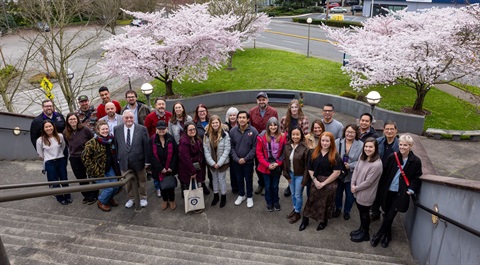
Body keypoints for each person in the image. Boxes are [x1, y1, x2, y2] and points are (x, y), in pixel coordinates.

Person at [370, 134, 422, 248]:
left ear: (410, 146)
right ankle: (388, 236)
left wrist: (411, 190)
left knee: (390, 216)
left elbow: (417, 177)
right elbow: (384, 173)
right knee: (386, 213)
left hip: (401, 193)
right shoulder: (392, 157)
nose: (402, 147)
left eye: (405, 145)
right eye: (401, 144)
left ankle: (378, 235)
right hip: (388, 191)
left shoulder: (415, 161)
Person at [299, 132, 342, 232]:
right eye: (323, 140)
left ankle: (323, 221)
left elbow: (336, 172)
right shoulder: (314, 152)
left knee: (325, 203)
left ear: (331, 142)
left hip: (329, 183)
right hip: (316, 180)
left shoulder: (335, 156)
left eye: (327, 141)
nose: (324, 143)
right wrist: (315, 180)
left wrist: (324, 183)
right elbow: (310, 168)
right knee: (311, 201)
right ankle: (305, 220)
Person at [113, 110, 150, 209]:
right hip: (124, 160)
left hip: (139, 160)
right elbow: (116, 145)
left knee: (142, 180)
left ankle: (143, 197)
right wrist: (118, 158)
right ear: (123, 119)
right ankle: (131, 198)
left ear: (134, 118)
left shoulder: (142, 129)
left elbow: (146, 146)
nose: (129, 119)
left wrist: (147, 161)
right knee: (127, 181)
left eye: (131, 117)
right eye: (126, 118)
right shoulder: (117, 129)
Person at [82, 121, 121, 212]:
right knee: (109, 188)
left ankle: (108, 198)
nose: (105, 131)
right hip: (98, 170)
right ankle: (101, 201)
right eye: (103, 129)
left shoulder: (111, 140)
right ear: (98, 130)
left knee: (116, 186)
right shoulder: (92, 142)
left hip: (109, 168)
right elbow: (85, 157)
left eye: (106, 128)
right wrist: (94, 169)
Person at [350, 137, 383, 242]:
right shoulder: (362, 157)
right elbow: (356, 170)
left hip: (366, 193)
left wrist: (356, 188)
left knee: (365, 214)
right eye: (366, 146)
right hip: (356, 189)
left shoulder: (377, 164)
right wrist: (352, 183)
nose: (368, 149)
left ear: (375, 148)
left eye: (371, 147)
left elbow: (369, 182)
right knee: (361, 212)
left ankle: (365, 233)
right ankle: (361, 229)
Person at [63, 113, 97, 204]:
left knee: (91, 176)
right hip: (75, 158)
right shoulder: (65, 132)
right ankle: (86, 195)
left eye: (74, 119)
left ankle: (94, 195)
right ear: (67, 121)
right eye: (70, 119)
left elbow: (93, 140)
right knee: (81, 178)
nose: (73, 121)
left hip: (87, 156)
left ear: (77, 119)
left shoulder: (85, 129)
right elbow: (67, 144)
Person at [36, 120, 72, 205]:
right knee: (54, 181)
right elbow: (40, 153)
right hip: (49, 162)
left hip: (60, 160)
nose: (49, 128)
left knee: (64, 179)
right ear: (43, 129)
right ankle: (60, 197)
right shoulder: (40, 140)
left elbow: (63, 147)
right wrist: (48, 158)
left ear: (53, 127)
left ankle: (67, 195)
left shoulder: (60, 136)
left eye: (50, 126)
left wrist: (59, 155)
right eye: (46, 127)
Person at [249, 92, 278, 196]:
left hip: (269, 143)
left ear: (267, 100)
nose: (261, 101)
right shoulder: (252, 111)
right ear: (257, 101)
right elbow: (250, 127)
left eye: (263, 99)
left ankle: (267, 185)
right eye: (259, 100)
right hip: (257, 142)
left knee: (268, 163)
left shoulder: (273, 111)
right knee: (258, 164)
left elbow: (275, 127)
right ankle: (261, 183)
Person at [256, 117, 287, 212]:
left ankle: (276, 201)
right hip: (265, 167)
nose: (273, 127)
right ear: (268, 126)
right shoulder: (262, 137)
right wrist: (266, 164)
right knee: (268, 186)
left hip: (277, 166)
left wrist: (278, 163)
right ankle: (269, 202)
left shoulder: (282, 137)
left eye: (275, 125)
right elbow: (259, 153)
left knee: (275, 185)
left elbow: (284, 152)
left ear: (278, 126)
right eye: (271, 125)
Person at [371, 121, 400, 222]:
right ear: (383, 130)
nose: (389, 131)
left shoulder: (400, 145)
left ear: (396, 130)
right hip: (378, 173)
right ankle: (375, 212)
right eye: (387, 129)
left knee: (386, 197)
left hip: (391, 175)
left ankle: (386, 215)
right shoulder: (378, 141)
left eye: (392, 129)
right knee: (375, 194)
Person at [333, 124, 364, 221]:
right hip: (339, 174)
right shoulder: (337, 142)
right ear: (344, 132)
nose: (349, 134)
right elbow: (332, 156)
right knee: (338, 193)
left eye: (352, 132)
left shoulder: (361, 145)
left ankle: (347, 211)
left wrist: (350, 165)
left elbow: (362, 161)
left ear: (356, 133)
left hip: (352, 175)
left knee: (350, 196)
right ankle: (338, 208)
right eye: (348, 132)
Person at [229, 111, 258, 208]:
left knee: (248, 179)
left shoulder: (253, 131)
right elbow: (231, 146)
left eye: (244, 117)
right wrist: (237, 159)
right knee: (239, 178)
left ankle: (249, 196)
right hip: (236, 161)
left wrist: (245, 159)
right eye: (240, 117)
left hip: (248, 162)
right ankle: (241, 195)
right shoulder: (232, 131)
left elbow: (255, 148)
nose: (241, 119)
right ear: (237, 119)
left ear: (248, 119)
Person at [149, 121, 178, 210]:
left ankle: (172, 200)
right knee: (162, 186)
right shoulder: (152, 140)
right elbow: (151, 156)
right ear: (156, 130)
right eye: (159, 129)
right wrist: (160, 168)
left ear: (166, 129)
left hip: (169, 167)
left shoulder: (171, 138)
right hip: (158, 169)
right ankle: (165, 200)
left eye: (163, 128)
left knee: (170, 186)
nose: (161, 130)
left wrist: (171, 167)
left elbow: (175, 154)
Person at [283, 126, 309, 224]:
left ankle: (297, 213)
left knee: (298, 195)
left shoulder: (305, 148)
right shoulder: (287, 146)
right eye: (293, 134)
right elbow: (285, 161)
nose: (295, 136)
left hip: (300, 176)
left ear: (301, 135)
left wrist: (304, 180)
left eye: (297, 134)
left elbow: (307, 166)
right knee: (293, 194)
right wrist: (287, 175)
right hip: (291, 174)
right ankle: (295, 209)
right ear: (290, 135)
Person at [203, 115, 231, 208]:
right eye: (213, 123)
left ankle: (223, 196)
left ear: (220, 123)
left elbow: (227, 149)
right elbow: (206, 150)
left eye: (216, 123)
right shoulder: (206, 135)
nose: (215, 124)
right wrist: (212, 163)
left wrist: (219, 163)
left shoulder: (225, 134)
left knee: (222, 179)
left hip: (222, 163)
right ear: (210, 124)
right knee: (214, 179)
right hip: (212, 163)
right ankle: (216, 196)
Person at [178, 121, 206, 210]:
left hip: (197, 166)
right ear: (186, 130)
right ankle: (195, 205)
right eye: (190, 130)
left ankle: (197, 202)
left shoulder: (196, 138)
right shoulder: (184, 141)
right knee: (192, 186)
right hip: (189, 168)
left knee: (197, 184)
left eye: (194, 129)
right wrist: (192, 171)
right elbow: (185, 158)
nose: (192, 131)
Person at [302, 119, 326, 198]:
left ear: (322, 128)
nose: (317, 129)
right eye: (315, 128)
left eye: (319, 127)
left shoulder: (326, 137)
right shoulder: (307, 138)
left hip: (323, 169)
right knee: (310, 189)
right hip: (311, 168)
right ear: (312, 128)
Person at [193, 104, 211, 194]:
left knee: (211, 168)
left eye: (203, 111)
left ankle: (212, 182)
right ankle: (203, 184)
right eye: (200, 111)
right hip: (200, 151)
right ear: (197, 113)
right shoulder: (195, 123)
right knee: (202, 169)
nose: (202, 113)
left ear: (206, 111)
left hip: (211, 150)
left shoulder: (211, 121)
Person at [224, 107, 239, 193]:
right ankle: (234, 187)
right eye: (230, 115)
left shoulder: (241, 124)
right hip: (230, 151)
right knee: (233, 170)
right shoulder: (225, 126)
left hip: (239, 150)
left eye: (234, 115)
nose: (232, 117)